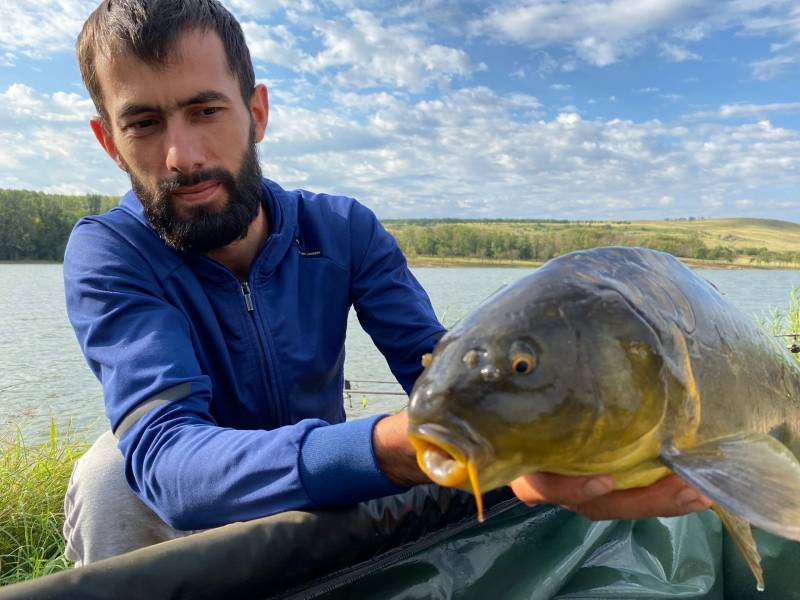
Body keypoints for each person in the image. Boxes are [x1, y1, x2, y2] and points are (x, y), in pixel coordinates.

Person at [62, 0, 712, 567]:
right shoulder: (109, 253)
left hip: (324, 480)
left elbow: (437, 367)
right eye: (143, 123)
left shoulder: (343, 230)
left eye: (206, 110)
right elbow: (167, 459)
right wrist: (395, 447)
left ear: (256, 111)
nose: (184, 155)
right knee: (109, 480)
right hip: (214, 490)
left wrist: (541, 435)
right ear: (108, 141)